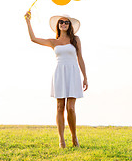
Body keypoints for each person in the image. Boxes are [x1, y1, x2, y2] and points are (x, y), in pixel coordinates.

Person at [24, 11, 88, 148]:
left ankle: (74, 136)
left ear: (69, 25)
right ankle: (61, 140)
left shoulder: (75, 39)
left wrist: (85, 77)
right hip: (60, 73)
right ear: (57, 25)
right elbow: (33, 39)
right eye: (61, 22)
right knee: (60, 107)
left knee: (71, 108)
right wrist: (28, 21)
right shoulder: (53, 42)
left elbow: (80, 58)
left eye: (66, 22)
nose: (63, 24)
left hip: (73, 73)